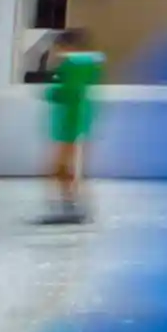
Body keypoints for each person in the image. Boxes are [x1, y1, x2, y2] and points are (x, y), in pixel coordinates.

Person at [41, 27, 105, 225]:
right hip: (78, 120)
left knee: (62, 166)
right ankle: (72, 205)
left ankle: (71, 206)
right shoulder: (89, 65)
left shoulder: (72, 66)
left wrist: (52, 92)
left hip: (69, 122)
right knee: (69, 166)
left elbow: (67, 92)